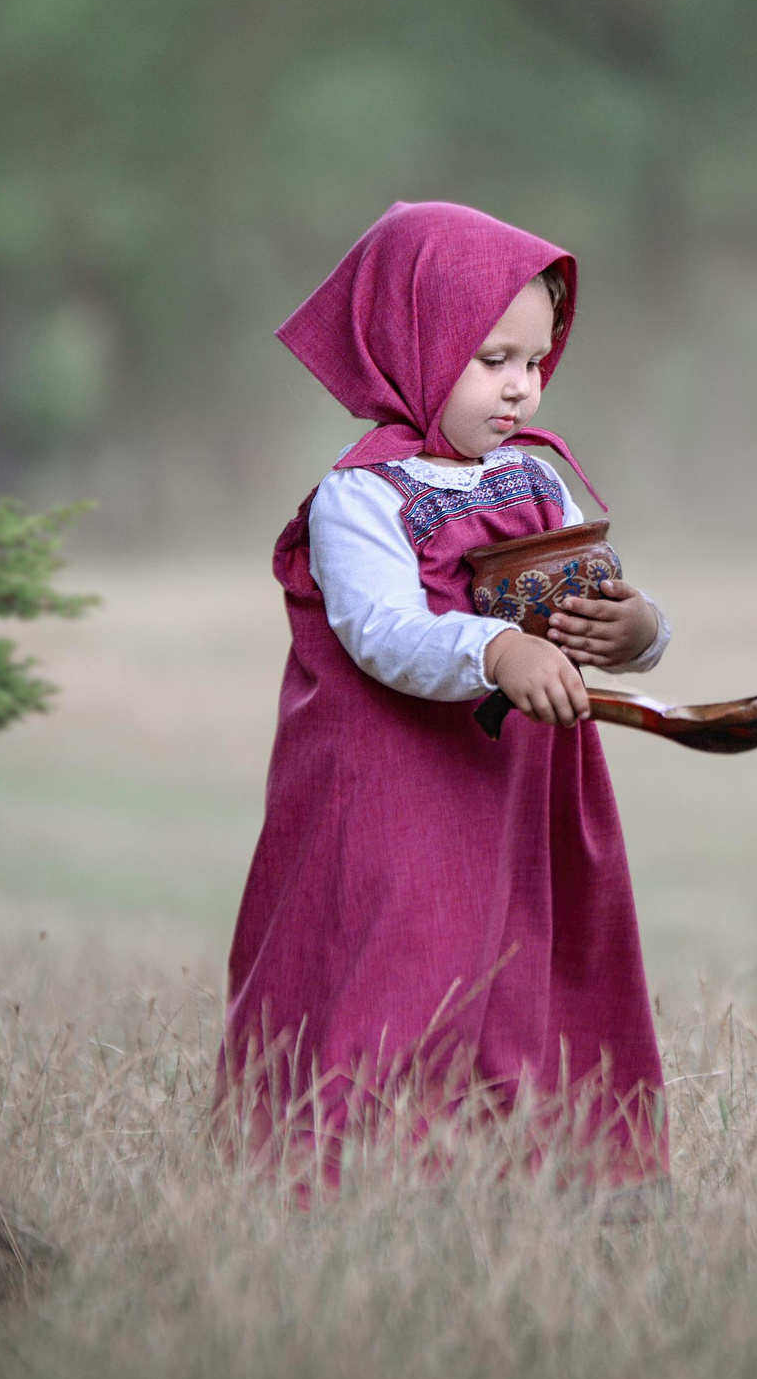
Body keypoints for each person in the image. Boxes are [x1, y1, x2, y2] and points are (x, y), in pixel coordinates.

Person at [216, 200, 669, 1196]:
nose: (520, 386)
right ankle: (357, 1179)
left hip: (521, 783)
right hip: (397, 786)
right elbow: (380, 630)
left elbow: (590, 587)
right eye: (491, 357)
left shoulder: (535, 480)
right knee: (403, 961)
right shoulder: (363, 495)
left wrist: (636, 632)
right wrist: (496, 646)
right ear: (408, 342)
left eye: (535, 361)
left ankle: (534, 1166)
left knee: (525, 962)